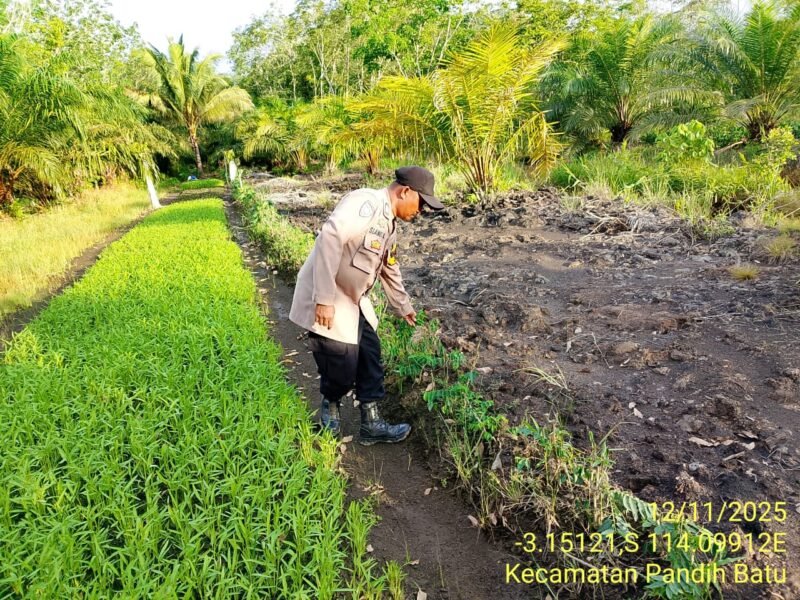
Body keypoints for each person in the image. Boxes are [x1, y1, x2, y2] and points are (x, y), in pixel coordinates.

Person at [289, 166, 444, 445]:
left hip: (352, 301)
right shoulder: (365, 203)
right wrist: (323, 299)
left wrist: (403, 306)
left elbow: (389, 269)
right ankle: (330, 417)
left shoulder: (389, 225)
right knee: (341, 365)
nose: (423, 210)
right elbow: (330, 237)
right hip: (329, 297)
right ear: (405, 191)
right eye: (421, 202)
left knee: (371, 356)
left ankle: (372, 425)